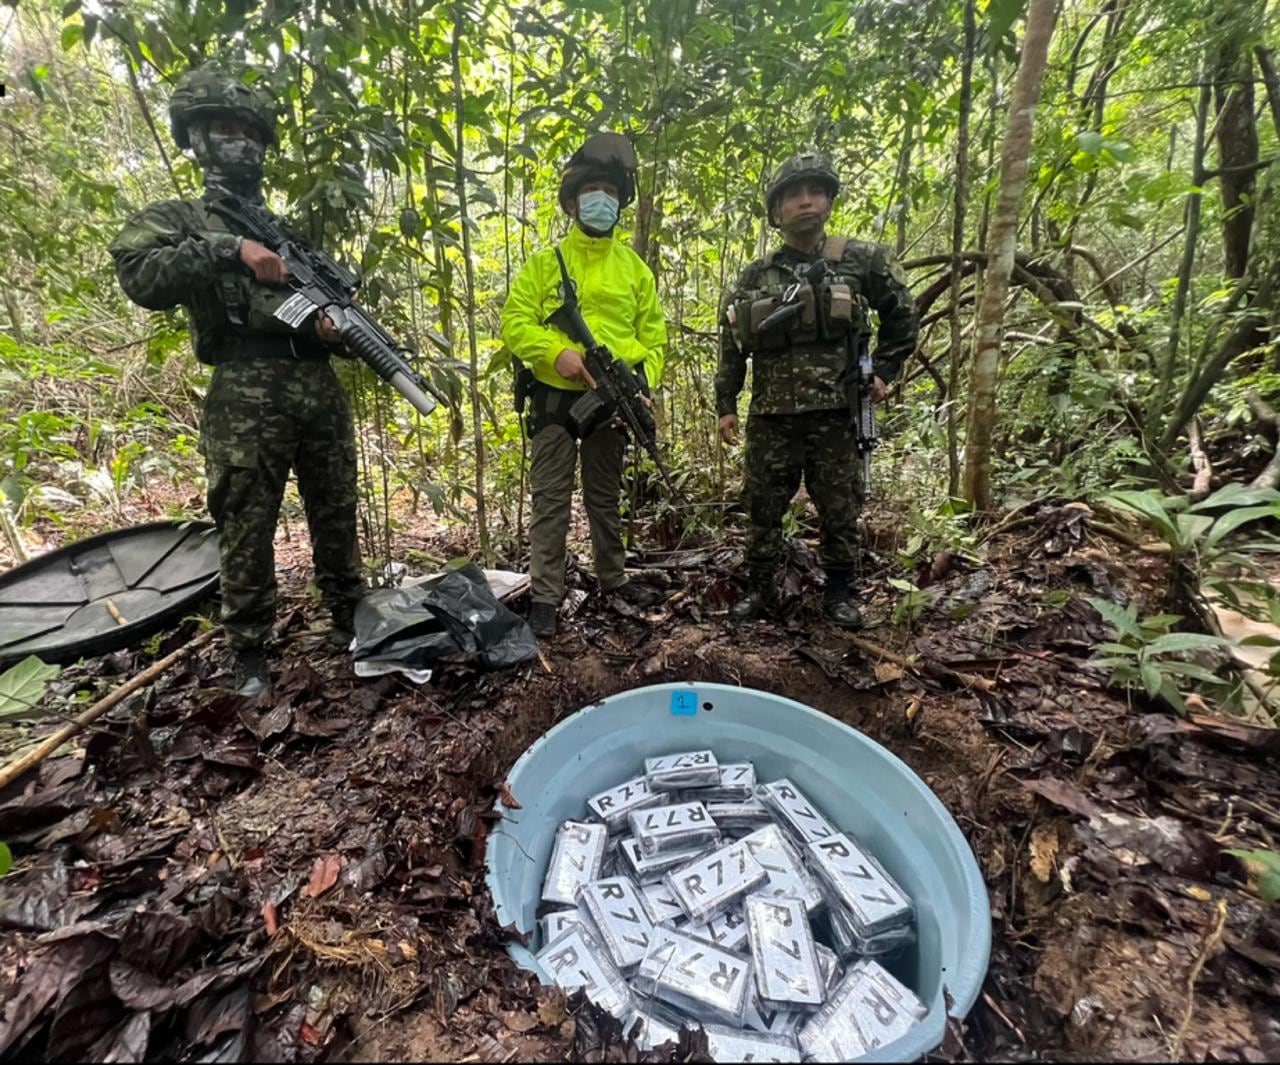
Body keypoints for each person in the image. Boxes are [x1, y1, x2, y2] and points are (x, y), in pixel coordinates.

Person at [110, 67, 365, 697]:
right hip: (244, 385)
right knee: (246, 515)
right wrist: (230, 249)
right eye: (225, 130)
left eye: (252, 133)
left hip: (314, 381)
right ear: (195, 138)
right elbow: (142, 277)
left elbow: (309, 306)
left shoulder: (286, 233)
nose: (242, 144)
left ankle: (351, 618)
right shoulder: (184, 217)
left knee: (335, 505)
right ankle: (250, 645)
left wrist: (329, 329)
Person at [715, 150, 918, 628]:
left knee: (840, 507)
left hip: (838, 412)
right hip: (771, 416)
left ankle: (840, 594)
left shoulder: (861, 260)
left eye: (815, 192)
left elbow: (903, 316)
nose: (805, 202)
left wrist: (884, 370)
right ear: (777, 209)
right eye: (793, 195)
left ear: (828, 200)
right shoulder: (755, 275)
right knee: (762, 506)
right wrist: (727, 403)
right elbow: (732, 343)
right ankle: (762, 590)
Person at [500, 133, 667, 639]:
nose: (602, 200)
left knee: (604, 496)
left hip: (613, 399)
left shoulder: (636, 271)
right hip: (554, 398)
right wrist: (558, 354)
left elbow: (654, 340)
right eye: (592, 190)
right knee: (549, 500)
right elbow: (514, 321)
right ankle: (546, 597)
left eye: (611, 191)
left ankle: (612, 582)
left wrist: (643, 383)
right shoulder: (544, 264)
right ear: (573, 201)